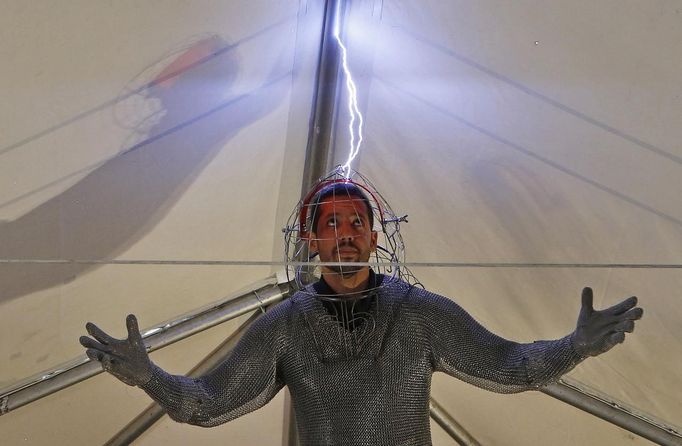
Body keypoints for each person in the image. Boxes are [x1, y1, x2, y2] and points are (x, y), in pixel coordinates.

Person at [80, 181, 643, 445]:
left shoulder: (420, 314)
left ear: (374, 236)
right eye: (330, 225)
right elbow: (208, 404)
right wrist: (149, 376)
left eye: (355, 224)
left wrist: (573, 347)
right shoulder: (282, 328)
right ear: (311, 240)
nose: (344, 235)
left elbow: (507, 365)